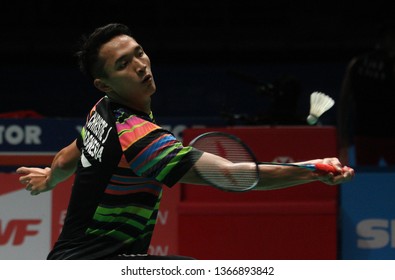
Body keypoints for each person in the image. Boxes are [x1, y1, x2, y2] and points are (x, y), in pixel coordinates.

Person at [17, 23, 354, 260]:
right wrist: (311, 170)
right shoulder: (138, 138)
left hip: (80, 261)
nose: (140, 65)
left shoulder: (102, 111)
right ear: (104, 84)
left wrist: (49, 178)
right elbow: (234, 175)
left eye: (139, 53)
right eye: (123, 64)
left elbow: (67, 157)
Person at [337, 26, 395, 166]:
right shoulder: (358, 64)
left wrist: (342, 136)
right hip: (382, 136)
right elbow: (344, 102)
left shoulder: (357, 63)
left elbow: (343, 102)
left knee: (365, 178)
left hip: (364, 134)